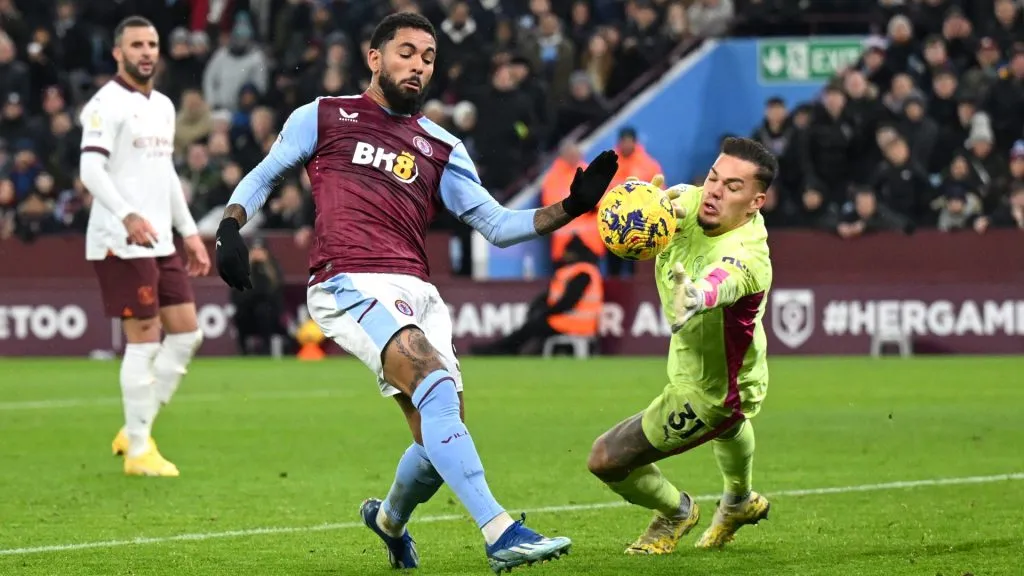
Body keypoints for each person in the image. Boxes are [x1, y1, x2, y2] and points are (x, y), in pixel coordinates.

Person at [212, 12, 619, 573]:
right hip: (347, 278)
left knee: (437, 430)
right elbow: (264, 174)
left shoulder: (440, 144)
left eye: (428, 58)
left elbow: (497, 225)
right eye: (406, 52)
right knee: (429, 380)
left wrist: (572, 208)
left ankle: (389, 522)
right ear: (374, 58)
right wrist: (231, 224)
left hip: (417, 290)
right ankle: (501, 532)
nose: (418, 65)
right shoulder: (325, 116)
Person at [586, 137, 777, 555]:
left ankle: (676, 512)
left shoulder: (747, 256)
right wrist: (647, 207)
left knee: (606, 458)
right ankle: (738, 501)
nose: (714, 191)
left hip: (713, 391)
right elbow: (674, 205)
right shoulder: (692, 202)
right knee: (729, 431)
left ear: (755, 202)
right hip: (726, 365)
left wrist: (696, 297)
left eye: (732, 187)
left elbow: (721, 282)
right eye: (713, 177)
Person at [78, 16, 210, 478]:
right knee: (145, 337)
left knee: (188, 332)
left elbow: (164, 173)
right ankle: (138, 450)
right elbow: (91, 171)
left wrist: (189, 231)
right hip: (120, 239)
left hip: (159, 238)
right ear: (118, 52)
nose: (146, 52)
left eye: (152, 44)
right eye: (136, 44)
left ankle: (137, 428)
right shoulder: (104, 105)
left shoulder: (164, 106)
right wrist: (126, 214)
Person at [471, 235, 603, 355]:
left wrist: (546, 312)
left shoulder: (582, 273)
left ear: (572, 253)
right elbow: (551, 297)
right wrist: (539, 307)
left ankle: (501, 349)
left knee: (531, 327)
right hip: (571, 322)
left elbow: (568, 301)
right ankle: (503, 349)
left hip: (574, 324)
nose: (563, 256)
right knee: (532, 325)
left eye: (566, 252)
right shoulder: (582, 271)